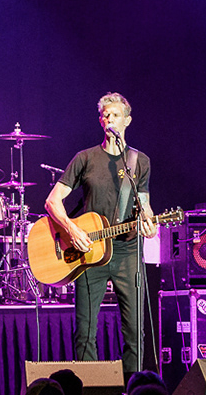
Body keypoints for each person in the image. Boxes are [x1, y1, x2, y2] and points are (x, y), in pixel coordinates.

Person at [43, 93, 156, 373]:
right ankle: (90, 390)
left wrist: (149, 223)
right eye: (106, 115)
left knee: (135, 331)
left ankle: (133, 388)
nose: (110, 120)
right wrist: (71, 229)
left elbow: (144, 205)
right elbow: (52, 201)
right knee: (85, 331)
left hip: (128, 251)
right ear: (100, 121)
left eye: (115, 115)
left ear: (127, 120)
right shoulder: (85, 158)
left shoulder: (139, 161)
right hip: (90, 251)